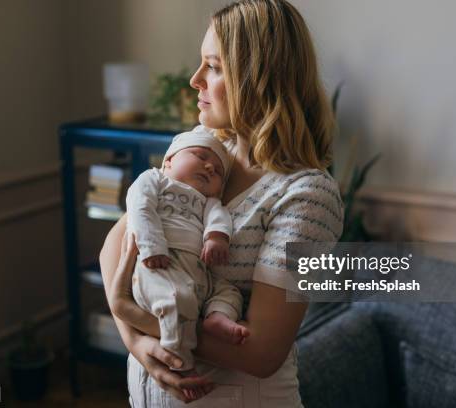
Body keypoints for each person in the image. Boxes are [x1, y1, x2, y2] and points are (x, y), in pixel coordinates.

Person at [99, 0, 343, 406]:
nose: (195, 80)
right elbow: (116, 241)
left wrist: (130, 311)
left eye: (212, 67)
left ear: (258, 78)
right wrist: (133, 340)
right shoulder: (205, 151)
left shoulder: (306, 195)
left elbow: (262, 352)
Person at [111, 128, 249, 382]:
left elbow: (219, 218)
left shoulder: (209, 201)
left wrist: (216, 237)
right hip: (161, 264)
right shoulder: (154, 179)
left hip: (199, 271)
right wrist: (153, 247)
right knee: (176, 299)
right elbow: (140, 208)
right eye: (199, 155)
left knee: (229, 292)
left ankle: (217, 317)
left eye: (218, 171)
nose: (209, 167)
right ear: (169, 161)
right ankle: (179, 360)